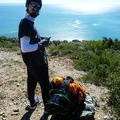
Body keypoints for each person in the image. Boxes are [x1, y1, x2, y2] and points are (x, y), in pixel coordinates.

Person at [18, 0, 50, 111]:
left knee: (31, 82)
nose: (36, 8)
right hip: (37, 63)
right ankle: (47, 109)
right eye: (33, 5)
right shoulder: (26, 23)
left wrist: (40, 39)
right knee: (45, 86)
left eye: (38, 6)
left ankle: (32, 104)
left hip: (32, 62)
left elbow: (31, 40)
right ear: (27, 6)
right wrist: (41, 44)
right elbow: (25, 48)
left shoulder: (29, 21)